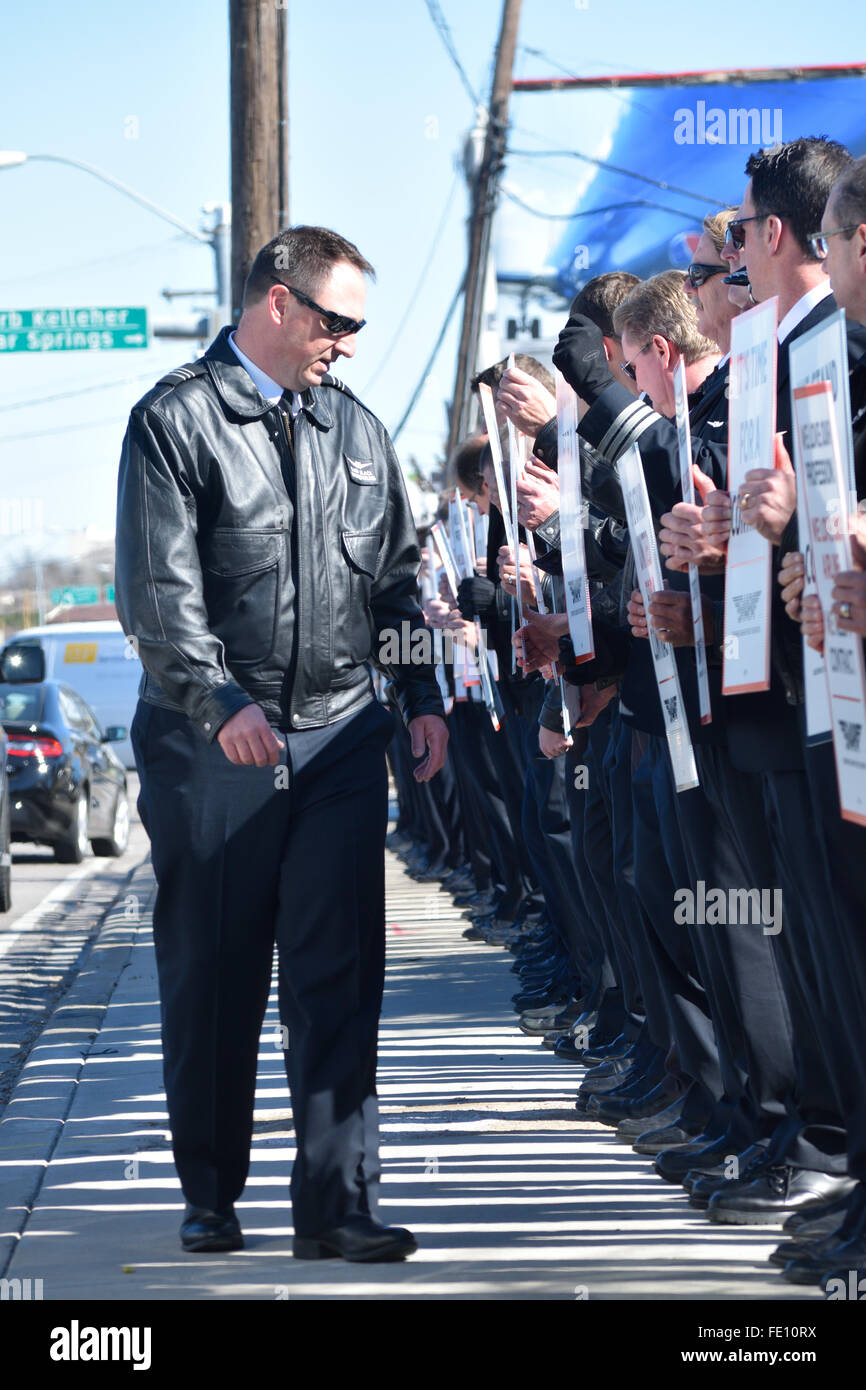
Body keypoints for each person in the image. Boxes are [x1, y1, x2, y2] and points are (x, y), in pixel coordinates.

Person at [115, 224, 448, 1264]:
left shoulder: (357, 431)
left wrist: (422, 691)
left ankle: (338, 1205)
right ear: (275, 301)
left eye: (354, 325)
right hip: (213, 749)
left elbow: (394, 579)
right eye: (334, 321)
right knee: (214, 972)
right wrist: (221, 702)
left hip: (342, 738)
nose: (346, 344)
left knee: (337, 972)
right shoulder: (175, 422)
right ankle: (211, 1192)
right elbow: (158, 596)